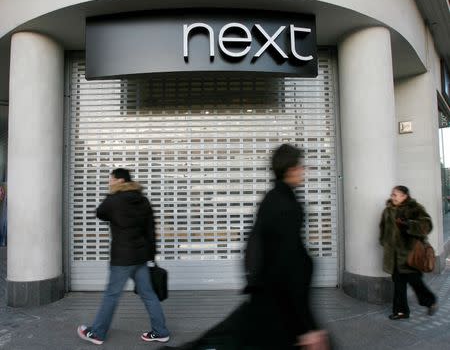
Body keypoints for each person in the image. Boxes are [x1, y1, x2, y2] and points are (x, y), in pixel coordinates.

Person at [160, 144, 329, 350]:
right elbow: (288, 267)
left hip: (267, 302)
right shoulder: (286, 206)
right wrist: (307, 326)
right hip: (280, 310)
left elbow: (256, 247)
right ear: (290, 169)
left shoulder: (273, 199)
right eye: (300, 166)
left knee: (222, 340)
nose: (304, 170)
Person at [77, 168, 170, 345]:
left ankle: (97, 333)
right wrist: (151, 256)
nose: (109, 182)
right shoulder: (143, 200)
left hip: (122, 257)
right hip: (141, 256)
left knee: (111, 295)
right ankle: (161, 331)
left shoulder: (114, 199)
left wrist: (112, 195)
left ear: (120, 181)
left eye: (111, 179)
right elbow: (151, 229)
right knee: (149, 294)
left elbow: (100, 213)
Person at [379, 185, 438, 320]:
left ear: (405, 196)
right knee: (398, 284)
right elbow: (383, 228)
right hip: (394, 256)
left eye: (396, 194)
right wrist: (384, 241)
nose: (392, 196)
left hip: (410, 254)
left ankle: (430, 301)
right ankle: (401, 312)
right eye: (392, 194)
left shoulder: (415, 208)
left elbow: (427, 226)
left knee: (415, 281)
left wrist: (408, 224)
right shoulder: (387, 211)